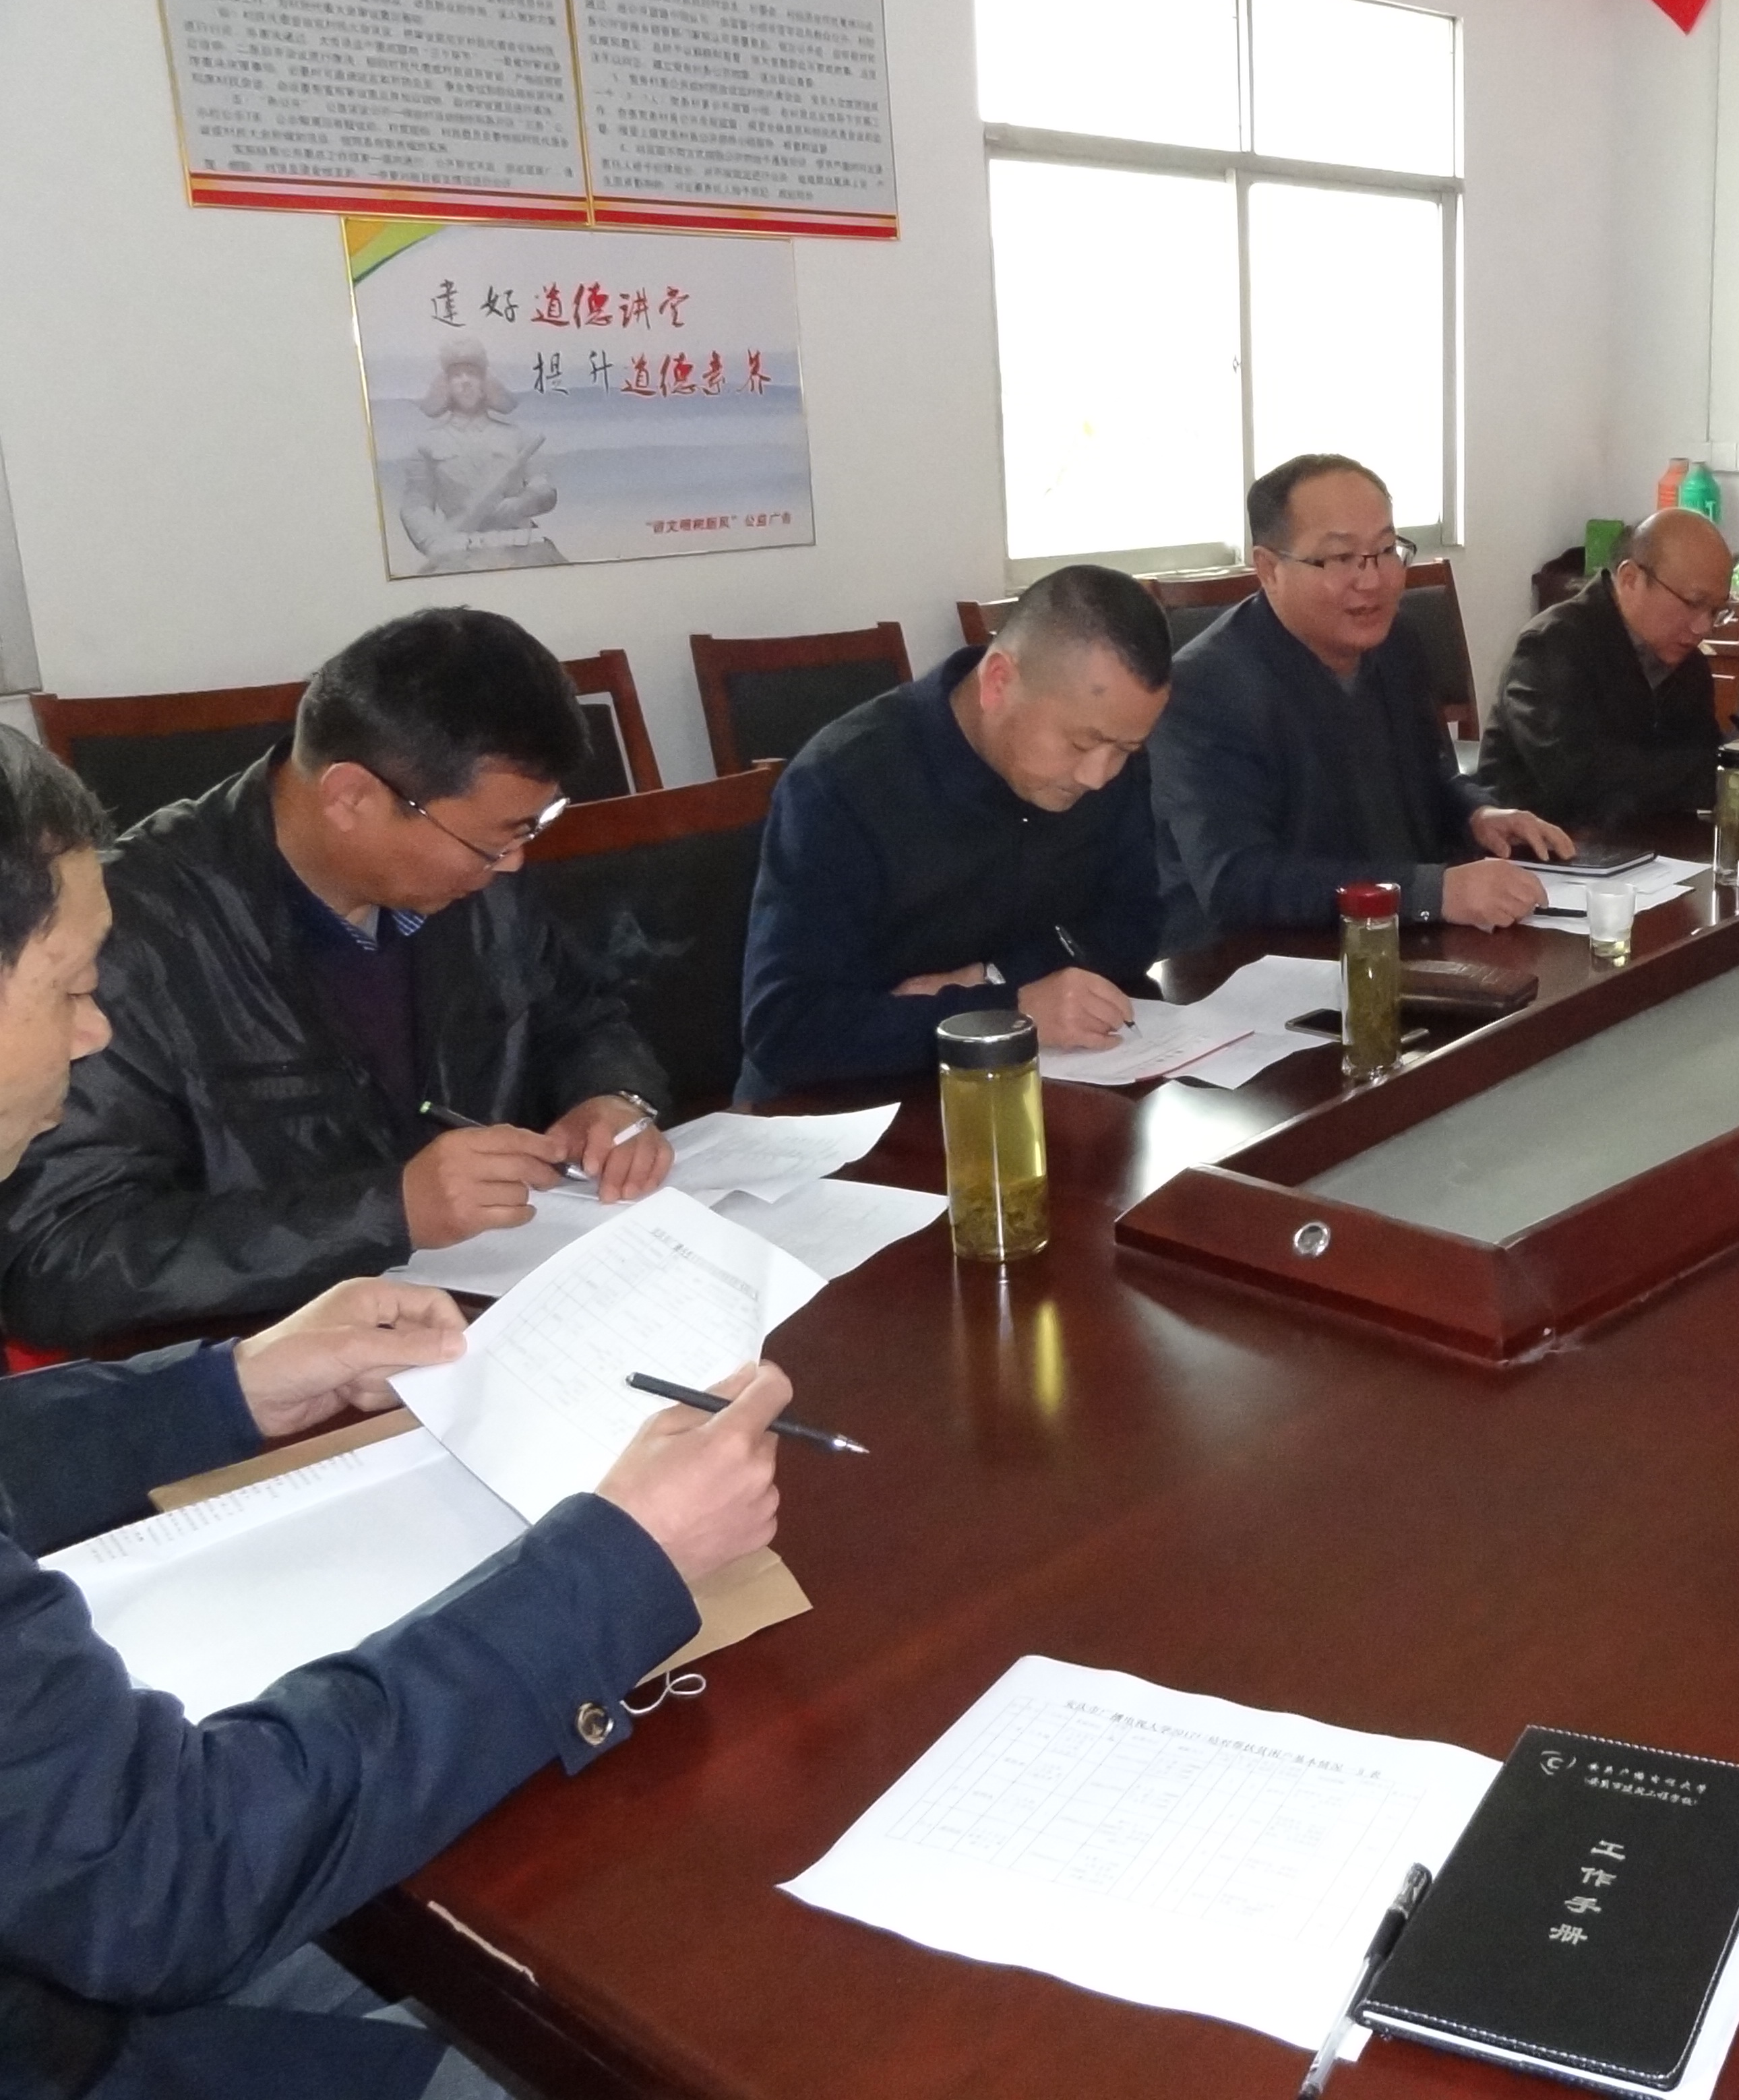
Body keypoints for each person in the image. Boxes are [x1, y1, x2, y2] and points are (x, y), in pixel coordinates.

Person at [0, 735, 792, 2099]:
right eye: (71, 988)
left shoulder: (482, 900)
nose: (96, 1031)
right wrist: (617, 1564)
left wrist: (225, 1389)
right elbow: (165, 1878)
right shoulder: (195, 909)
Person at [0, 609, 672, 1349]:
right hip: (249, 1364)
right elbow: (59, 1259)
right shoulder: (113, 941)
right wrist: (388, 1211)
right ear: (350, 796)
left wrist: (614, 1097)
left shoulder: (473, 883)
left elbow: (581, 1015)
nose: (511, 865)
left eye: (526, 832)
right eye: (491, 843)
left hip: (492, 1319)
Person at [741, 566, 1170, 1097]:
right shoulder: (842, 783)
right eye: (1081, 744)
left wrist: (994, 978)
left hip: (1036, 1083)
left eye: (1125, 750)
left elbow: (1134, 927)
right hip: (844, 1113)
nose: (1098, 776)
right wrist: (1006, 1010)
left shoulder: (1107, 754)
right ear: (998, 682)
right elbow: (787, 1029)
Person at [1149, 454, 1569, 949]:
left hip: (1400, 937)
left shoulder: (1396, 643)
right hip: (1262, 962)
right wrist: (1431, 892)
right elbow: (1237, 881)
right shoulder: (1204, 690)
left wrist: (1477, 815)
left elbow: (1431, 775)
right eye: (1340, 558)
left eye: (1386, 550)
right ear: (1269, 568)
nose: (1372, 580)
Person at [1478, 509, 1739, 830]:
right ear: (1631, 578)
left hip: (1649, 847)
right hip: (1541, 847)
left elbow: (1696, 758)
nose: (1703, 627)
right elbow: (1580, 781)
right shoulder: (1552, 645)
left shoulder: (1689, 667)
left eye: (1716, 610)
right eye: (1693, 602)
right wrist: (1722, 771)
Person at [397, 339, 559, 574]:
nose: (465, 382)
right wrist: (434, 541)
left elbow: (543, 487)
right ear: (446, 385)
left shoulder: (517, 436)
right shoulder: (427, 444)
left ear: (485, 382)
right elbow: (416, 505)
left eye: (472, 374)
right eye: (456, 376)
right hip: (460, 548)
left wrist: (523, 503)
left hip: (522, 545)